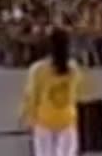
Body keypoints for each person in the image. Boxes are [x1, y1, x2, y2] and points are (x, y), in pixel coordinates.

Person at [21, 28, 86, 156]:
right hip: (67, 119)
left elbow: (32, 96)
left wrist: (28, 118)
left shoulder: (38, 69)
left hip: (44, 120)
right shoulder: (73, 69)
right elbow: (78, 94)